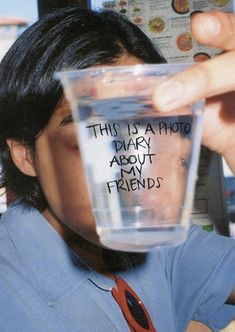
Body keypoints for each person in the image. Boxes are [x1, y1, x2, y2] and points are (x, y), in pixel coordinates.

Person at [0, 7, 234, 332]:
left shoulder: (154, 245)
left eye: (145, 123)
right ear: (26, 155)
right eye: (92, 125)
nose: (129, 154)